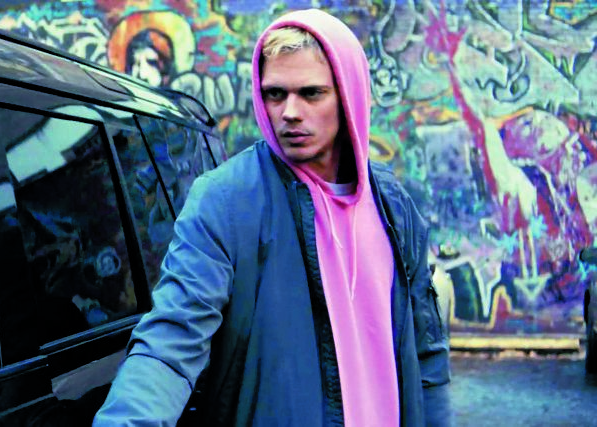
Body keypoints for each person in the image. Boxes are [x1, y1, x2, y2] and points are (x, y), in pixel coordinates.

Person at [94, 8, 451, 427]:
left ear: (348, 94)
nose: (289, 112)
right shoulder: (226, 201)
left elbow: (428, 356)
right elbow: (170, 341)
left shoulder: (393, 206)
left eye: (311, 93)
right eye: (275, 94)